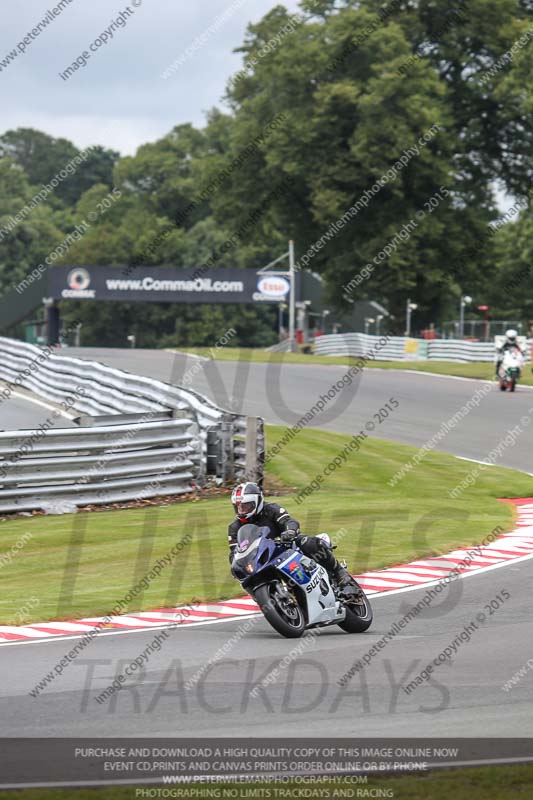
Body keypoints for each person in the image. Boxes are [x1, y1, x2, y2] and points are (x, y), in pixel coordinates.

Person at [228, 482, 359, 594]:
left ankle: (340, 574)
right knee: (246, 579)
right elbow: (235, 552)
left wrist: (290, 532)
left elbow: (289, 521)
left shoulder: (271, 509)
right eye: (238, 507)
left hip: (284, 545)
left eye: (245, 506)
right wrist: (236, 565)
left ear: (257, 502)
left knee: (308, 542)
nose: (241, 511)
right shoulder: (234, 528)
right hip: (262, 558)